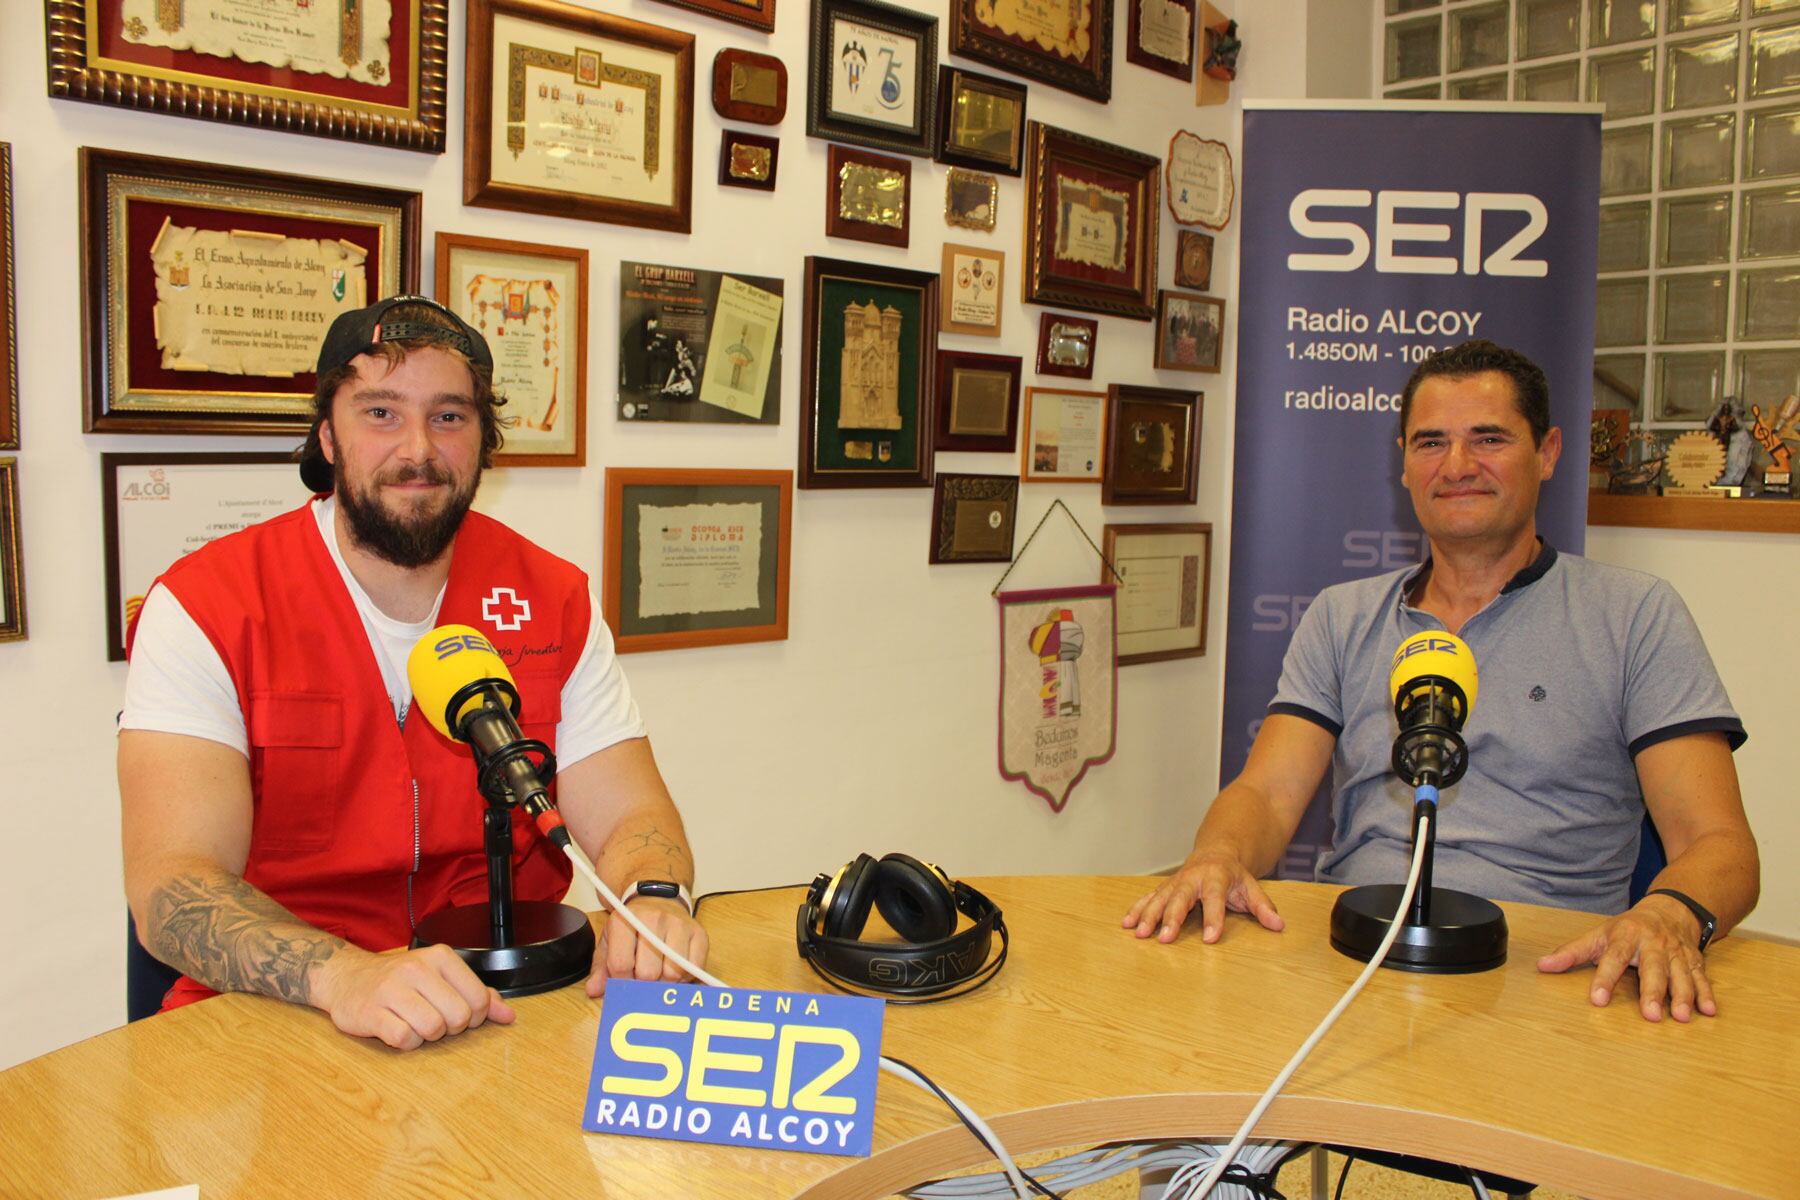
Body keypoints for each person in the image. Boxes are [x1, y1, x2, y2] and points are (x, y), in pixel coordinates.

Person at [120, 295, 709, 1051]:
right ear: (328, 435)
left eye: (449, 416)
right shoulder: (207, 605)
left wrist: (654, 898)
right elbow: (170, 890)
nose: (419, 449)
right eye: (381, 413)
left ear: (482, 440)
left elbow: (633, 816)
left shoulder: (553, 596)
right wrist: (346, 976)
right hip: (278, 1017)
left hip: (509, 1009)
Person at [1125, 340, 1759, 1024]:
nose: (1457, 467)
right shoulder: (1344, 616)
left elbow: (1717, 844)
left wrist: (1668, 912)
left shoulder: (1634, 616)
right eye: (1431, 443)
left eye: (1488, 438)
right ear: (1403, 462)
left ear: (1547, 452)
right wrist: (1215, 857)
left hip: (1551, 981)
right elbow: (1267, 794)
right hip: (1353, 961)